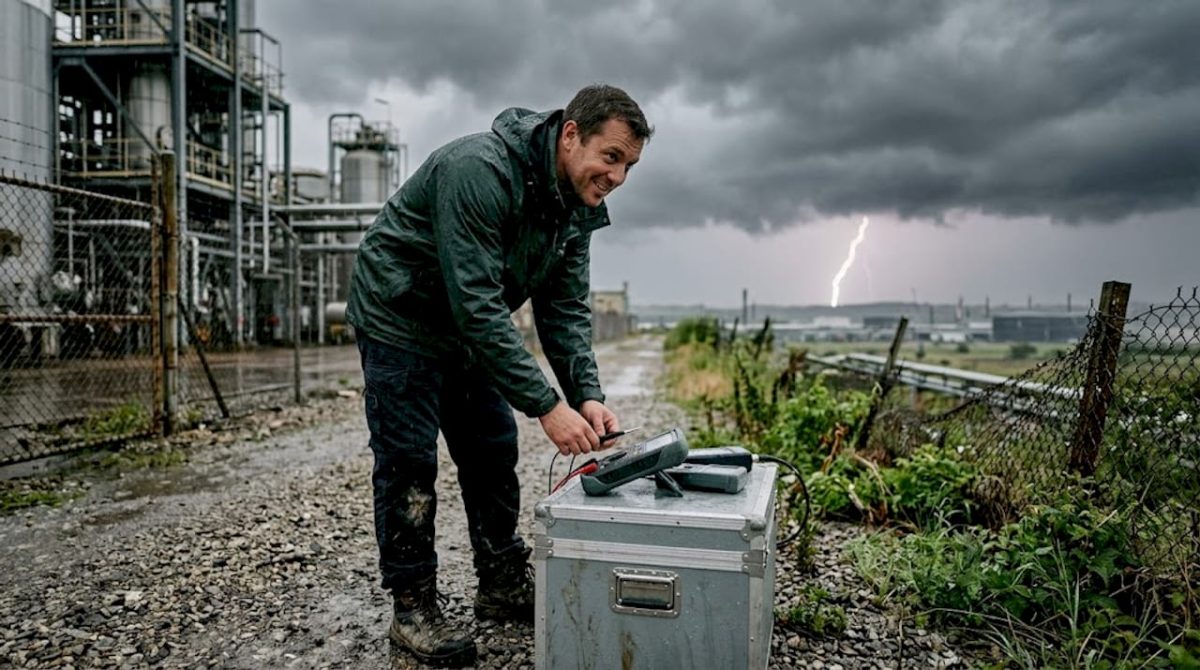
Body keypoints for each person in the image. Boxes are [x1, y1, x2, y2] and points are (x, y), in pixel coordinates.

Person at [346, 84, 652, 666]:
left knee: (491, 448)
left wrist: (585, 396)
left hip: (466, 329)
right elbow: (478, 304)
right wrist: (545, 404)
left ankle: (501, 581)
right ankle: (412, 608)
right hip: (401, 317)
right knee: (409, 462)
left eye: (629, 166)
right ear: (570, 135)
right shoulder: (477, 171)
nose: (617, 177)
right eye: (610, 157)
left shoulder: (576, 207)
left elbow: (563, 311)